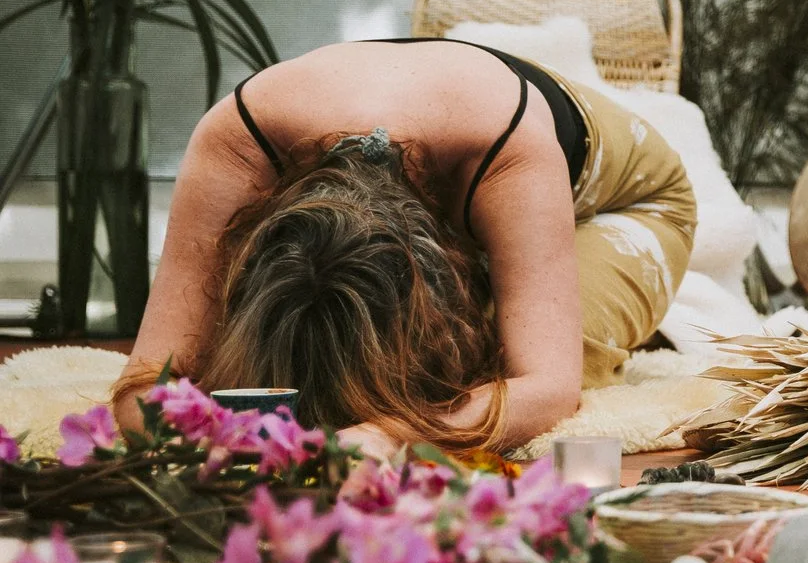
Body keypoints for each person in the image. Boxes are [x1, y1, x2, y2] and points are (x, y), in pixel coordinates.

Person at [115, 36, 696, 452]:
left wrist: (390, 433)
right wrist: (220, 434)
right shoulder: (236, 144)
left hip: (634, 203)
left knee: (495, 379)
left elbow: (548, 390)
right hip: (470, 155)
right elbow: (147, 378)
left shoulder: (500, 155)